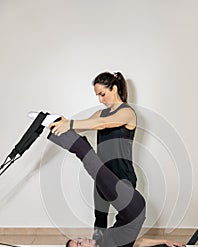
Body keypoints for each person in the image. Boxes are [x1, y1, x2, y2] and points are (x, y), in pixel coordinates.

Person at [47, 126, 198, 247]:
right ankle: (55, 128)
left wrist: (162, 241)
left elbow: (134, 242)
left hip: (129, 209)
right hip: (131, 207)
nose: (83, 239)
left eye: (79, 239)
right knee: (95, 168)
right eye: (79, 243)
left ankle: (60, 132)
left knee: (96, 169)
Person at [49, 72, 137, 232]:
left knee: (124, 222)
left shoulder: (127, 112)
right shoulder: (100, 113)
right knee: (100, 217)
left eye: (102, 94)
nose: (100, 100)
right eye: (98, 96)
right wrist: (61, 122)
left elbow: (102, 124)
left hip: (123, 176)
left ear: (115, 89)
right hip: (102, 173)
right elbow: (86, 124)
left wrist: (70, 124)